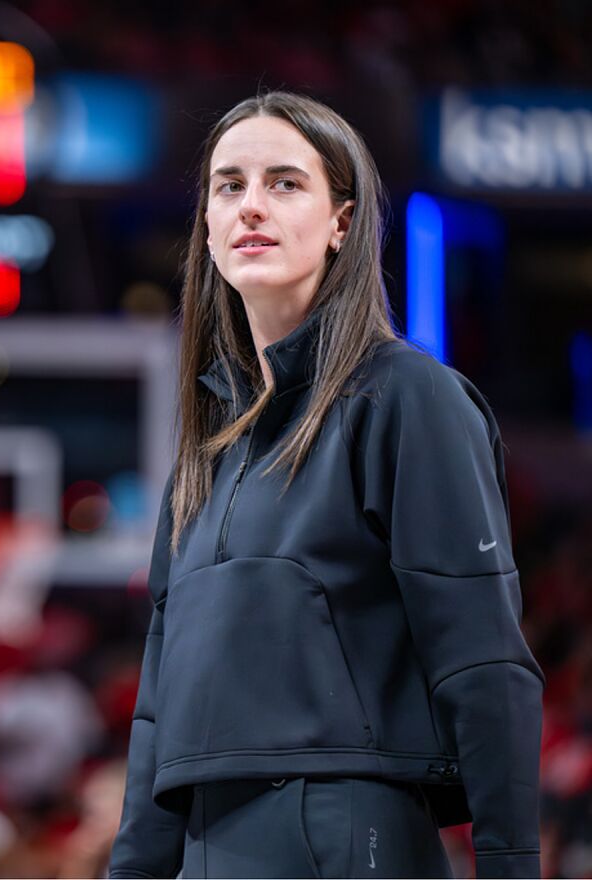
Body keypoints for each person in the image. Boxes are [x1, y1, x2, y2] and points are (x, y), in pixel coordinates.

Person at [108, 91, 542, 879]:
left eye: (284, 183)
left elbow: (482, 661)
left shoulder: (409, 399)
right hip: (208, 842)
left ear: (343, 222)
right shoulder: (207, 450)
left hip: (349, 832)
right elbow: (156, 707)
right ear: (205, 225)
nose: (250, 207)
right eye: (228, 185)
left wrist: (510, 867)